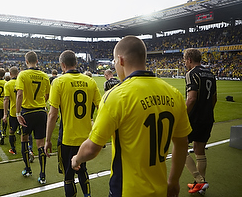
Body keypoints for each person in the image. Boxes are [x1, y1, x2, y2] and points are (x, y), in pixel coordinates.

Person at [71, 36, 191, 197]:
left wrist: (77, 159)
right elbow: (182, 144)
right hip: (161, 189)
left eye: (114, 61)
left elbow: (92, 148)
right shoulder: (174, 94)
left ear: (120, 60)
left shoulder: (116, 96)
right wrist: (174, 181)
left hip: (127, 190)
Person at [45, 50, 101, 197]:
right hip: (86, 138)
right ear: (76, 63)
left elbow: (52, 115)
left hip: (67, 138)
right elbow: (101, 109)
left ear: (63, 65)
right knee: (82, 169)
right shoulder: (90, 81)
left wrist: (47, 140)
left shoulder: (58, 82)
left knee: (68, 176)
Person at [183, 48, 217, 195]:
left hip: (194, 118)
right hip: (207, 117)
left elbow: (191, 98)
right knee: (199, 149)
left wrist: (182, 116)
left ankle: (200, 180)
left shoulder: (191, 73)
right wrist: (207, 112)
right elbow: (214, 98)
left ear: (189, 59)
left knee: (181, 148)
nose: (184, 63)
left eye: (185, 60)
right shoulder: (210, 74)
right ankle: (199, 185)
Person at [15, 51, 50, 184]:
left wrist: (18, 113)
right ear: (37, 60)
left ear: (26, 61)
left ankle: (28, 169)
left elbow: (19, 95)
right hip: (41, 112)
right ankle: (42, 175)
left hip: (27, 113)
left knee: (24, 140)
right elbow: (46, 96)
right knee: (40, 144)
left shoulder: (23, 74)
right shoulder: (44, 76)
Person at [3, 66, 19, 154]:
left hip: (14, 111)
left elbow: (6, 99)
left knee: (12, 131)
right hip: (24, 110)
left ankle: (13, 149)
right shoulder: (22, 82)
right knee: (26, 132)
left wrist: (5, 114)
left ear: (10, 74)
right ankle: (30, 149)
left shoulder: (8, 84)